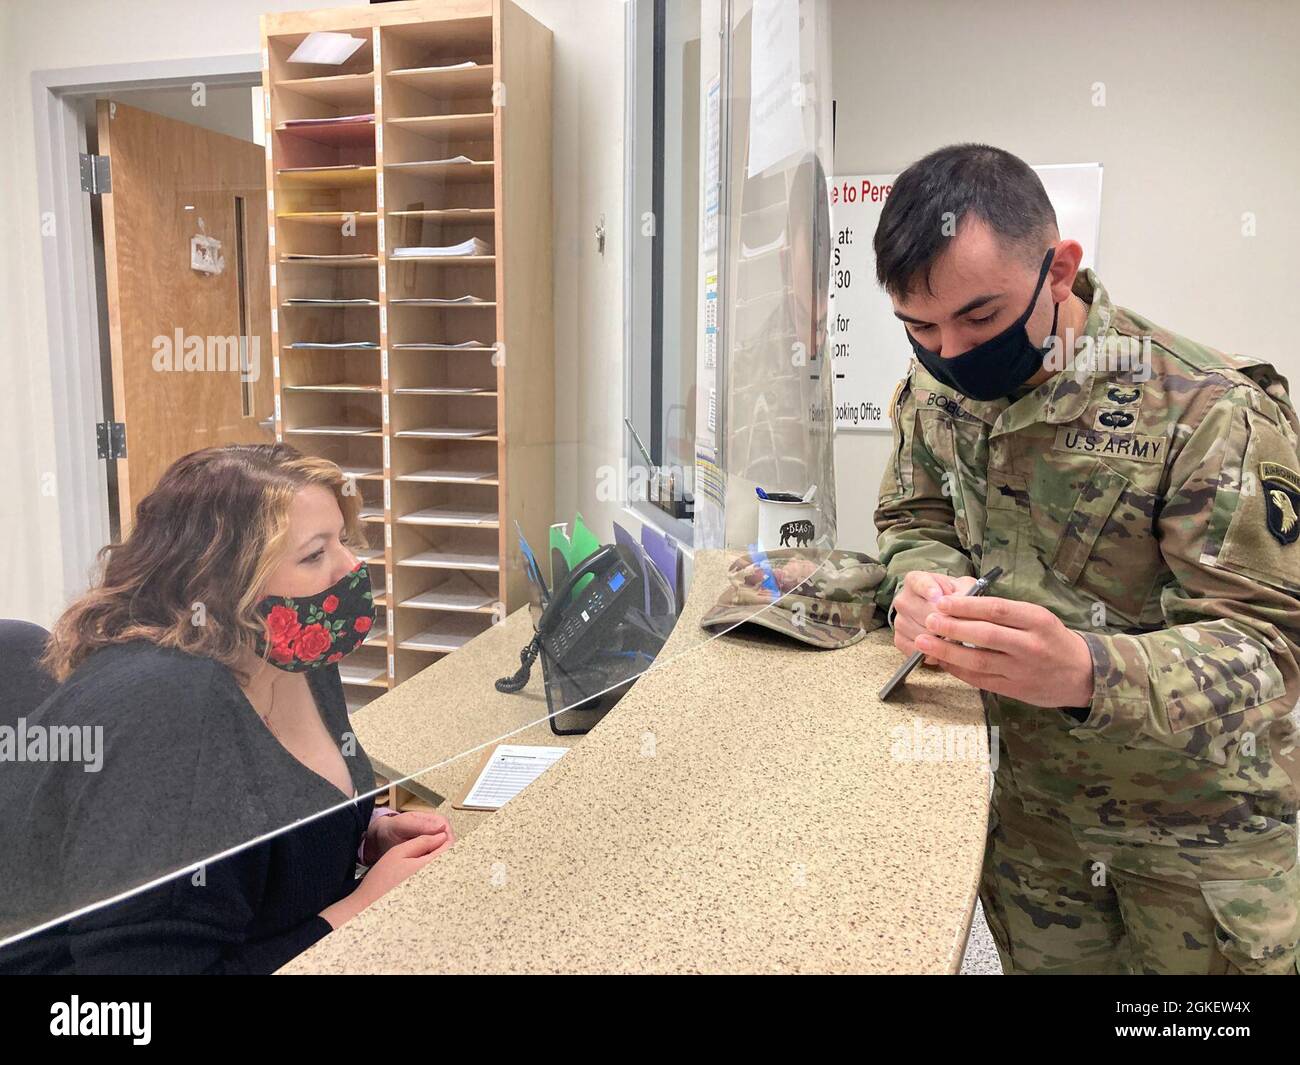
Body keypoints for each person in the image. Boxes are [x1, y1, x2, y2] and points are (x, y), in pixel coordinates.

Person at [872, 143, 1300, 974]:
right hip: (1032, 827)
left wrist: (1088, 669)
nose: (951, 351)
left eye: (982, 318)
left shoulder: (1208, 411)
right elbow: (912, 515)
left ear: (1060, 269)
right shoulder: (935, 391)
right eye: (919, 327)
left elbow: (1273, 652)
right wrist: (915, 584)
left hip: (1196, 847)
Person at [0, 443, 454, 974]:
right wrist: (357, 912)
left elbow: (275, 804)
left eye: (343, 541)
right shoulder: (168, 714)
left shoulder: (292, 649)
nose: (351, 567)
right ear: (222, 582)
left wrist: (362, 832)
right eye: (314, 554)